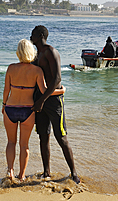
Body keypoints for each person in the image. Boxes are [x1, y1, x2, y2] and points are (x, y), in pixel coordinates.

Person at [2, 39, 66, 182]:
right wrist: (61, 91)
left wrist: (4, 104)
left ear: (18, 52)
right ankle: (22, 175)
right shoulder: (37, 71)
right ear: (32, 53)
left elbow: (6, 90)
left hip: (10, 109)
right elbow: (44, 91)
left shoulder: (11, 68)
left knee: (11, 142)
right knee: (24, 145)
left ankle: (10, 171)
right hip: (27, 111)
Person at [30, 25, 80, 184]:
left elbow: (57, 79)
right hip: (40, 100)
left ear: (40, 35)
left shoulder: (51, 52)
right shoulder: (36, 54)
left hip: (52, 101)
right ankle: (46, 172)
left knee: (61, 137)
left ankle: (74, 173)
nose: (30, 36)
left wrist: (42, 100)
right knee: (43, 136)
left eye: (33, 34)